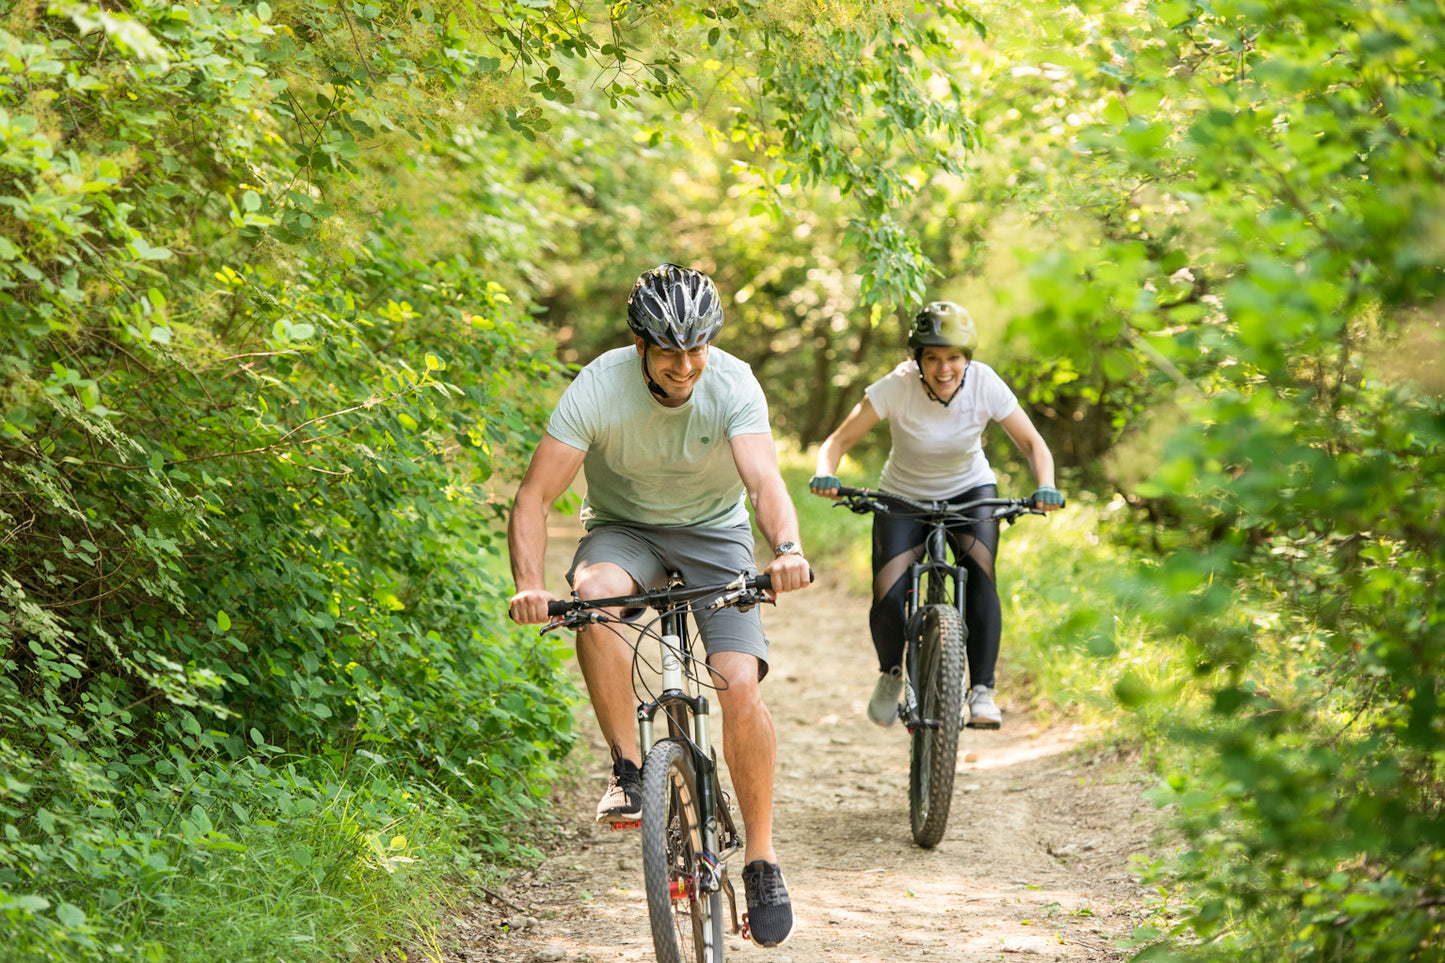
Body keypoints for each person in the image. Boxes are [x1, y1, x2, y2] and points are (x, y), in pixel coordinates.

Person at [507, 263, 812, 949]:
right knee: (591, 599)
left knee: (737, 681)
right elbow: (533, 496)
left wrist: (787, 548)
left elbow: (763, 480)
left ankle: (761, 858)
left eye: (696, 346)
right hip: (625, 531)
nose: (685, 363)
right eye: (669, 348)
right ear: (639, 344)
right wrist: (529, 583)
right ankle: (624, 768)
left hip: (716, 533)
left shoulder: (731, 383)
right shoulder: (598, 387)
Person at [809, 301, 1063, 730]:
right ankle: (892, 673)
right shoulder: (896, 386)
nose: (944, 369)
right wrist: (824, 473)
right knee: (888, 594)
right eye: (932, 358)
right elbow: (835, 443)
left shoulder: (985, 384)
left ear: (967, 359)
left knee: (981, 578)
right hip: (903, 495)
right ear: (918, 360)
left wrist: (1046, 485)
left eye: (954, 358)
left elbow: (1033, 444)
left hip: (971, 491)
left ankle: (981, 690)